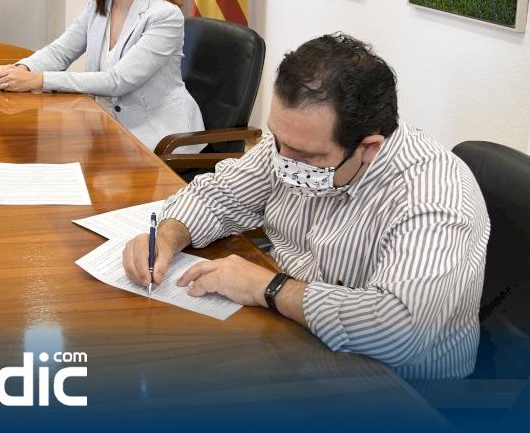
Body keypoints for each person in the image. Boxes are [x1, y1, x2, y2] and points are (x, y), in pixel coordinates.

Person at [122, 34, 490, 379]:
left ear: (369, 149)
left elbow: (397, 330)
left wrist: (268, 287)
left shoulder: (435, 197)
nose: (282, 159)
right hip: (291, 339)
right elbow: (219, 196)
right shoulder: (296, 143)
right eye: (277, 139)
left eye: (304, 155)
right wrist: (166, 237)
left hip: (394, 389)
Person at [0, 0, 203, 153]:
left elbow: (118, 81)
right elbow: (60, 51)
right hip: (105, 127)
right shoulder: (98, 5)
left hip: (160, 136)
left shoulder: (165, 15)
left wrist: (39, 80)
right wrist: (22, 69)